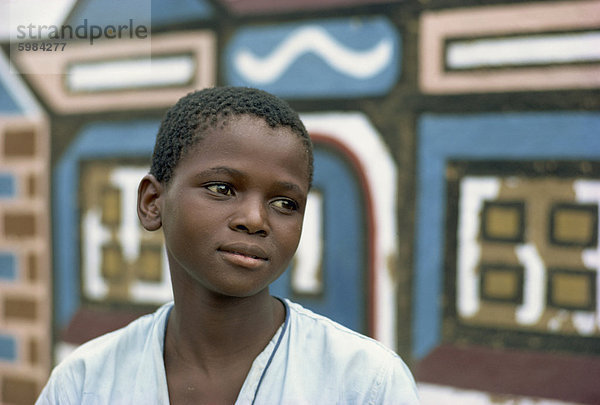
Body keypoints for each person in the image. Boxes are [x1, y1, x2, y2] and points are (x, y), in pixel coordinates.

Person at [36, 86, 419, 404]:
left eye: (285, 203)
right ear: (153, 203)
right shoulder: (85, 383)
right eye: (222, 188)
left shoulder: (366, 384)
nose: (254, 219)